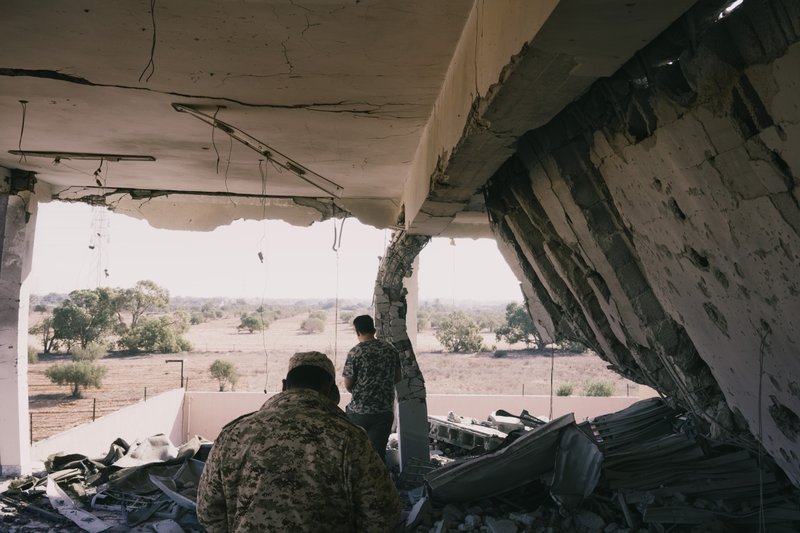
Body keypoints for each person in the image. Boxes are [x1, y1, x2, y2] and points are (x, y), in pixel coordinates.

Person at [197, 351, 401, 532]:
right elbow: (382, 515)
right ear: (332, 392)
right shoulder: (350, 438)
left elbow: (208, 512)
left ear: (284, 386)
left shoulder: (234, 434)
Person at [342, 315, 402, 463]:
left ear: (357, 332)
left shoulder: (355, 352)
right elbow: (398, 378)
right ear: (373, 329)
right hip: (383, 412)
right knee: (377, 456)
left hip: (359, 412)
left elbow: (348, 384)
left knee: (355, 455)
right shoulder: (390, 350)